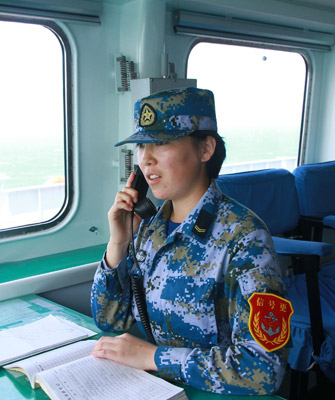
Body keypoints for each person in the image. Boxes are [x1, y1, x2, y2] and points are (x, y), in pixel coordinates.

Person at [90, 87, 290, 395]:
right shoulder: (149, 228)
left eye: (161, 143)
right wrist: (118, 242)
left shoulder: (245, 237)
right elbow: (109, 320)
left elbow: (263, 369)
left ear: (205, 149)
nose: (146, 160)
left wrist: (155, 357)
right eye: (142, 147)